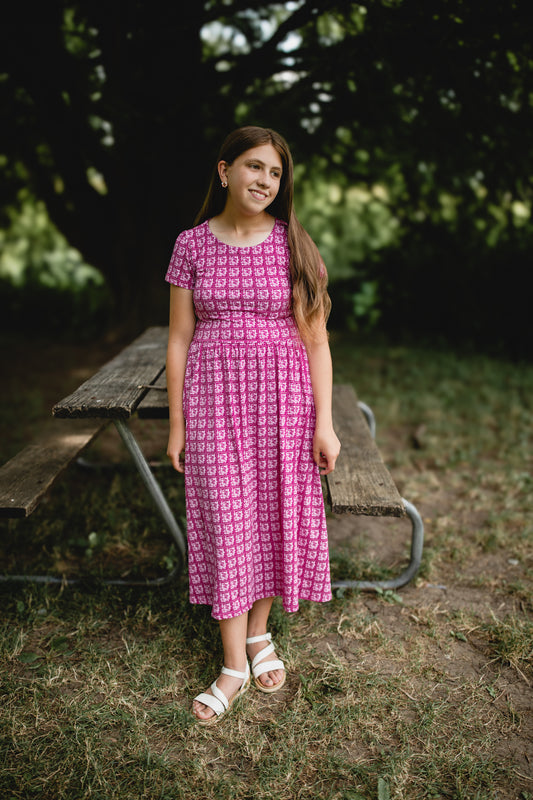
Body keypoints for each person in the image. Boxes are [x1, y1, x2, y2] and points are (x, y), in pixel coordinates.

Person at [165, 125, 341, 725]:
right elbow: (179, 337)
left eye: (275, 172)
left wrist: (326, 423)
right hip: (214, 402)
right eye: (254, 167)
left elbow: (316, 342)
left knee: (266, 515)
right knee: (223, 518)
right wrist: (176, 424)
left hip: (283, 404)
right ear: (224, 172)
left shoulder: (294, 243)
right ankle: (232, 663)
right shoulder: (191, 244)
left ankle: (259, 634)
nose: (265, 180)